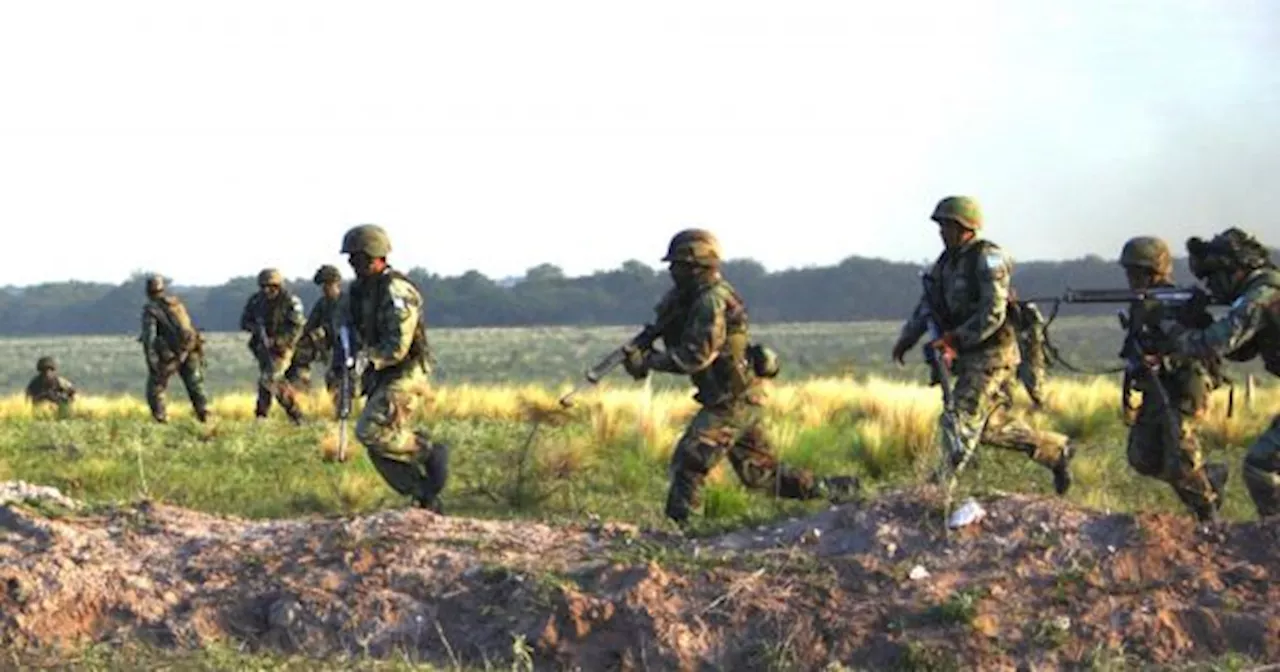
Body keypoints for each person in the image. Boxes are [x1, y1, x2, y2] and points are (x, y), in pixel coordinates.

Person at [622, 228, 860, 526]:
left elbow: (695, 357)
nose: (672, 271)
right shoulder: (685, 299)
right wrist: (642, 353)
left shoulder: (712, 301)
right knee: (760, 475)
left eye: (679, 265)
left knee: (692, 457)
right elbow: (667, 329)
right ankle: (841, 490)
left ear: (698, 266)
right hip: (732, 395)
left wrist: (649, 361)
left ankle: (681, 528)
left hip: (732, 398)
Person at [891, 195, 1074, 494]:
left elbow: (993, 312)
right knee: (989, 427)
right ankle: (1055, 450)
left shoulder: (987, 258)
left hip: (993, 356)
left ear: (966, 227)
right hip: (968, 356)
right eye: (941, 225)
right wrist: (907, 339)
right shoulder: (946, 264)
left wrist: (954, 339)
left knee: (959, 418)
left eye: (948, 225)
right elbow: (928, 305)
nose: (942, 232)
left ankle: (938, 491)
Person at [1151, 227, 1280, 518]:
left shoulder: (1262, 293)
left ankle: (1273, 541)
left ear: (1233, 270)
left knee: (1262, 465)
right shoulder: (1263, 291)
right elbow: (1243, 350)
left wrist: (1173, 328)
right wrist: (1199, 320)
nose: (1211, 288)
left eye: (1212, 278)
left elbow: (1214, 344)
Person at [1116, 236, 1227, 521]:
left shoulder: (1180, 303)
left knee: (1181, 458)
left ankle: (1208, 516)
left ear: (1153, 271)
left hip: (1186, 385)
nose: (1131, 278)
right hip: (1157, 386)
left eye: (1137, 272)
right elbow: (1138, 345)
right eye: (1129, 271)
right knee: (1142, 456)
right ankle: (1208, 479)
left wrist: (1166, 354)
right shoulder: (1143, 303)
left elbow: (1199, 346)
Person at [338, 224, 448, 512]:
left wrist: (368, 360)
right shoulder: (359, 292)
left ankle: (428, 451)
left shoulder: (396, 290)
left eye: (358, 258)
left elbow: (398, 345)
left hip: (405, 373)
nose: (352, 265)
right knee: (377, 444)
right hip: (381, 374)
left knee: (370, 431)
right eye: (351, 259)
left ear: (376, 256)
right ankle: (421, 494)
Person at [139, 274, 210, 423]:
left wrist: (152, 360)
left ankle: (161, 418)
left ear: (148, 292)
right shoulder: (176, 304)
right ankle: (205, 414)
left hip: (170, 355)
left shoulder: (151, 310)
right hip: (190, 350)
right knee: (194, 384)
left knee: (155, 387)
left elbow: (149, 337)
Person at [239, 268, 306, 423]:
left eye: (271, 286)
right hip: (262, 348)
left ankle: (263, 414)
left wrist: (278, 341)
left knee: (269, 378)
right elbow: (244, 321)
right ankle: (295, 415)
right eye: (263, 286)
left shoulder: (290, 301)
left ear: (278, 285)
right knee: (273, 380)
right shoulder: (256, 301)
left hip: (283, 349)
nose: (266, 290)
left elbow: (297, 327)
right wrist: (256, 329)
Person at [285, 264, 345, 401]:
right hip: (325, 345)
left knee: (336, 376)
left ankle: (341, 406)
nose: (325, 289)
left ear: (336, 283)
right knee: (298, 356)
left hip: (345, 346)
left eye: (328, 285)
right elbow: (309, 327)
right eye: (323, 285)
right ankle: (302, 394)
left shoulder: (347, 302)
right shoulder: (322, 304)